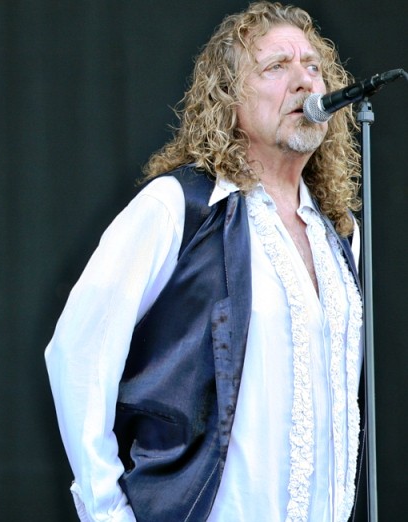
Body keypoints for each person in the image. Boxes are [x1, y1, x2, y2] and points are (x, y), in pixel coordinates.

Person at [45, 2, 365, 521]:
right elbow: (77, 353)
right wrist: (106, 511)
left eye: (312, 65)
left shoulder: (339, 233)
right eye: (276, 67)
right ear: (228, 98)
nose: (305, 82)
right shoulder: (177, 208)